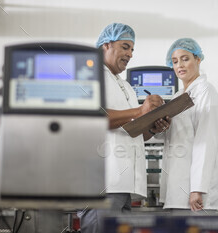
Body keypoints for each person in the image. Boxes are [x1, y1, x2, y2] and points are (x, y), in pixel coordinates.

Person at [79, 23, 170, 233]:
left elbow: (132, 131)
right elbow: (93, 118)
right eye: (125, 47)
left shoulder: (126, 86)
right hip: (103, 184)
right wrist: (139, 111)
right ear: (106, 45)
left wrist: (154, 127)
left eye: (132, 50)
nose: (130, 54)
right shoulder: (90, 74)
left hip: (125, 186)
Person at [158, 38, 218, 212]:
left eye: (185, 59)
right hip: (177, 191)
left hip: (196, 197)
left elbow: (206, 143)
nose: (179, 65)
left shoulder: (207, 93)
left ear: (198, 59)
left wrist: (198, 189)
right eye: (174, 61)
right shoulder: (177, 97)